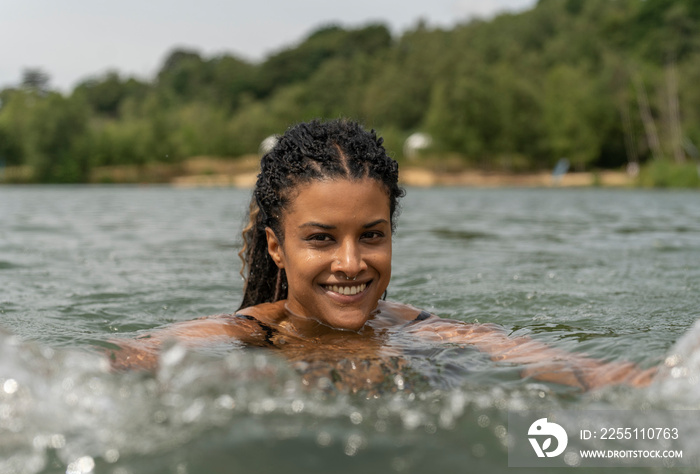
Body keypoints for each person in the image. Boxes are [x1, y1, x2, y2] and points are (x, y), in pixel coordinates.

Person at [108, 119, 656, 393]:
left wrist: (637, 384)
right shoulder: (251, 333)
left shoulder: (416, 326)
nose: (351, 263)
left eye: (371, 235)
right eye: (321, 238)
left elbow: (543, 361)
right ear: (276, 246)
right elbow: (136, 354)